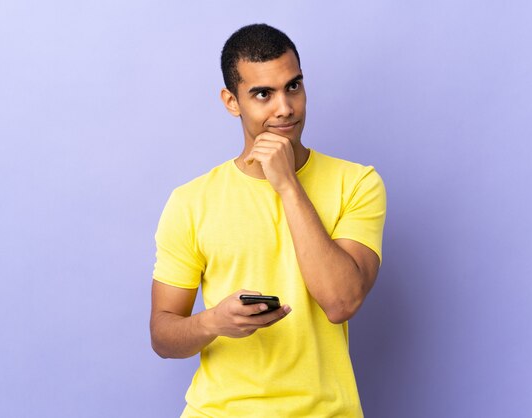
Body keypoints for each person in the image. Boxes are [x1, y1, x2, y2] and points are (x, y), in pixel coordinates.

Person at [150, 23, 386, 417]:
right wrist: (214, 322)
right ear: (232, 101)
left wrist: (288, 186)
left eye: (293, 86)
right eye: (263, 94)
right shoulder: (191, 202)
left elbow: (341, 301)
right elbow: (162, 336)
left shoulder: (358, 183)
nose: (285, 108)